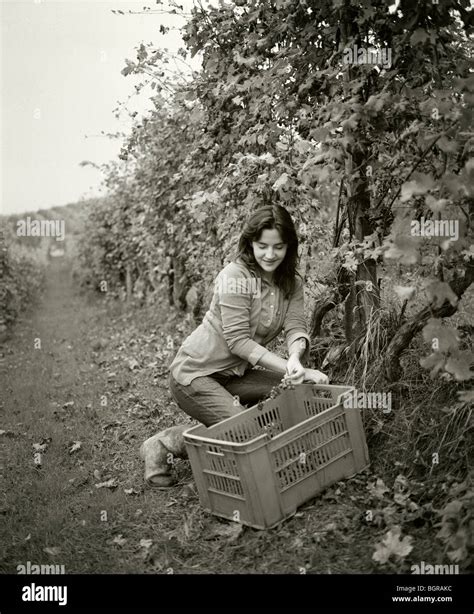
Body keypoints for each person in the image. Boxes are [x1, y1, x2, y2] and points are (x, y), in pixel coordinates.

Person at [140, 204, 329, 487]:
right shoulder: (235, 277)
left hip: (237, 374)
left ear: (289, 246)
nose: (269, 254)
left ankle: (241, 434)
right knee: (245, 433)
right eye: (262, 245)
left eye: (278, 247)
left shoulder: (291, 281)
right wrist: (288, 366)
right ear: (250, 242)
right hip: (196, 374)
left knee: (295, 388)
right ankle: (164, 443)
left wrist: (296, 359)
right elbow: (238, 341)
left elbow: (295, 326)